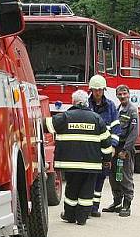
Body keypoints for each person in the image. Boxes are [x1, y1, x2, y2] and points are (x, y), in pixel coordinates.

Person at [45, 90, 113, 225]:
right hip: (91, 165)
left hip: (70, 164)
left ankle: (69, 216)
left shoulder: (65, 117)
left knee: (72, 188)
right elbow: (106, 142)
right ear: (86, 102)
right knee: (87, 191)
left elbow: (47, 125)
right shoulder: (96, 118)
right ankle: (82, 218)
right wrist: (106, 160)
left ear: (73, 102)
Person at [87, 74, 122, 217]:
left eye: (100, 90)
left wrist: (113, 146)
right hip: (89, 148)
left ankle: (94, 208)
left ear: (104, 90)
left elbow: (116, 128)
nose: (98, 93)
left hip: (104, 148)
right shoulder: (86, 105)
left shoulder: (111, 106)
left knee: (101, 177)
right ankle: (86, 206)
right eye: (95, 90)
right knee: (88, 177)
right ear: (91, 90)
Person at [103, 84, 139, 217]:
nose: (122, 96)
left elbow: (134, 133)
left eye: (124, 94)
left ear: (129, 94)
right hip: (115, 148)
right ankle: (117, 202)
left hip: (125, 149)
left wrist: (125, 150)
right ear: (117, 95)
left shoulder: (132, 111)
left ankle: (127, 204)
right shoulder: (117, 109)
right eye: (120, 94)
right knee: (113, 176)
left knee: (125, 177)